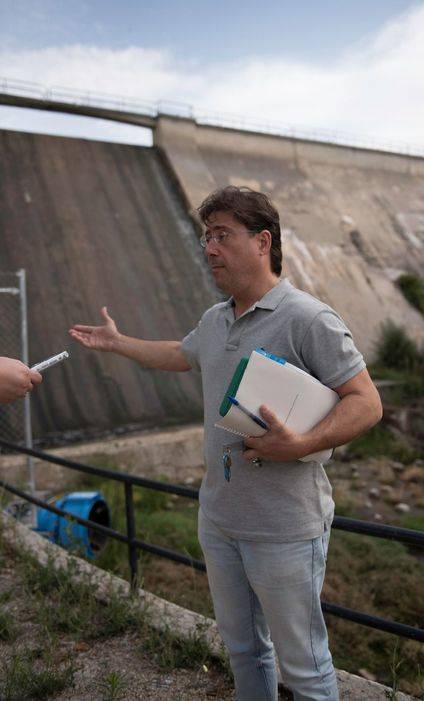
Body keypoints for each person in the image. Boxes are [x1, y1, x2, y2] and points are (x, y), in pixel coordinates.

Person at [69, 186, 382, 701]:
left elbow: (366, 402)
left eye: (222, 236)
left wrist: (301, 443)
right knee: (243, 651)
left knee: (303, 668)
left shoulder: (308, 318)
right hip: (219, 519)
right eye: (205, 237)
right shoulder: (216, 320)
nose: (208, 248)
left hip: (284, 527)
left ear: (263, 242)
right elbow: (179, 353)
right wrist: (118, 343)